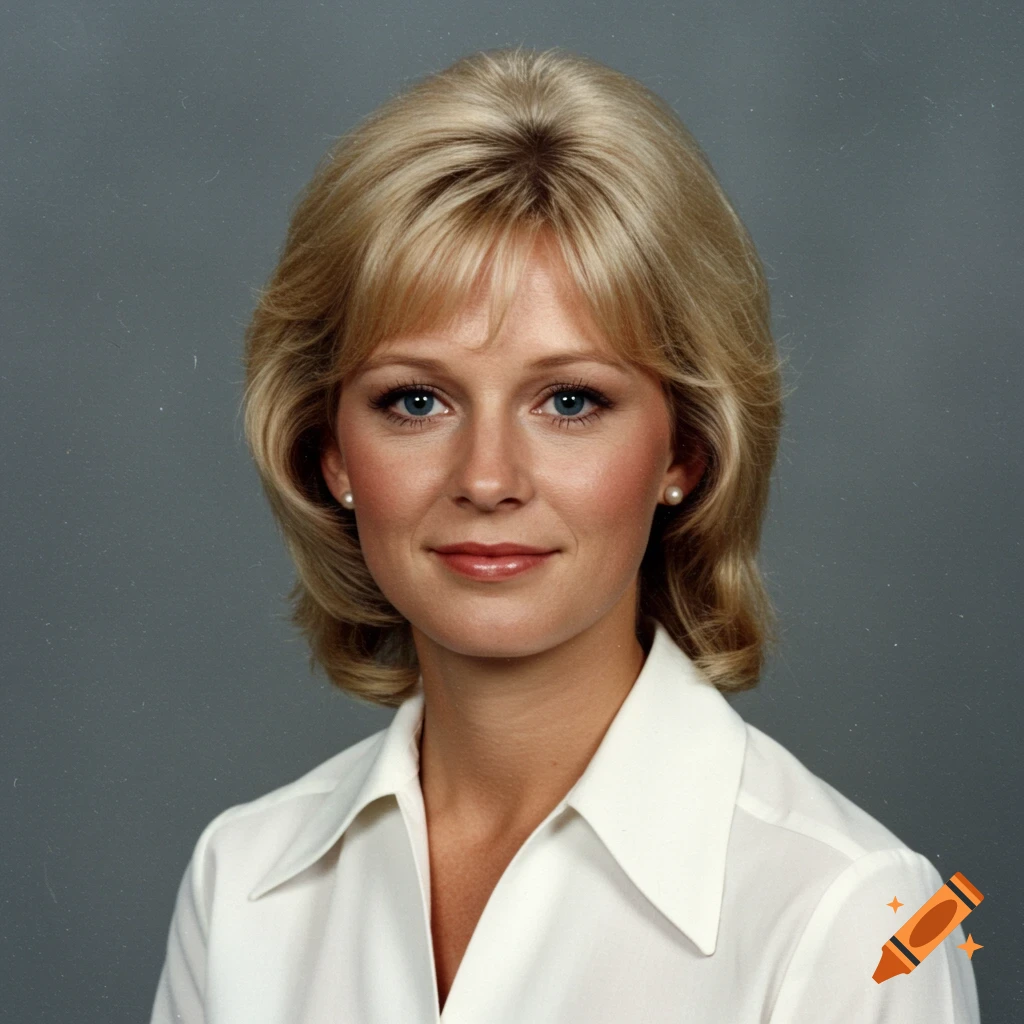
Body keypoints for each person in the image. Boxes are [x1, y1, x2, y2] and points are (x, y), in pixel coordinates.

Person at [149, 46, 981, 1023]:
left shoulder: (856, 919)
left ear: (687, 451)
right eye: (415, 399)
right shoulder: (241, 884)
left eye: (571, 400)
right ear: (329, 448)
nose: (487, 478)